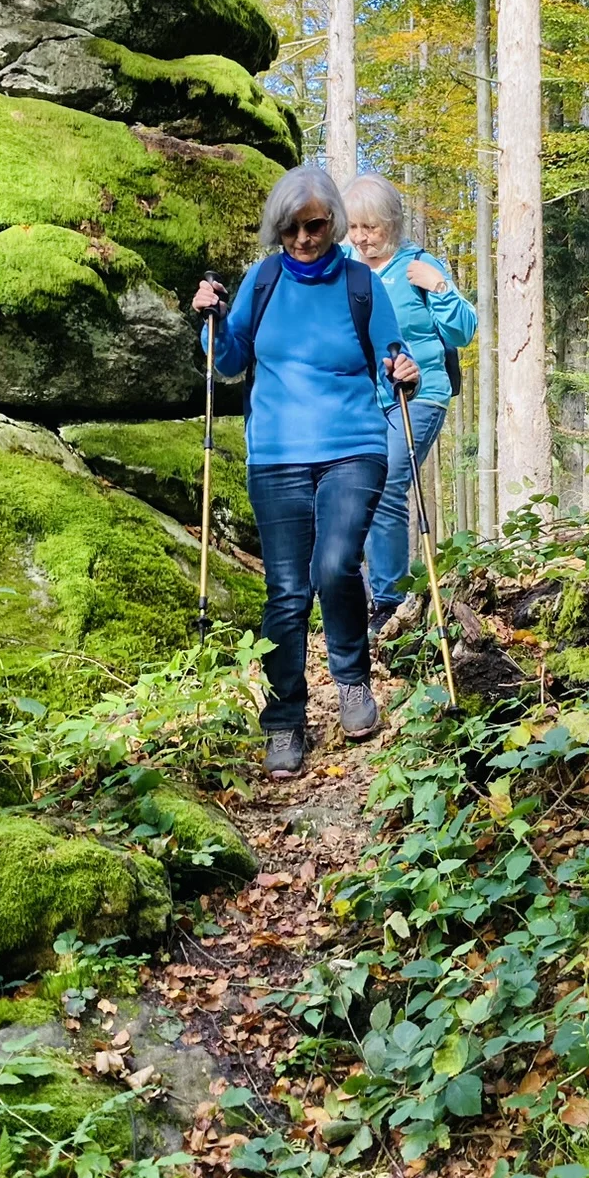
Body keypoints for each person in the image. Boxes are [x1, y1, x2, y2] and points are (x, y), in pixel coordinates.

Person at [192, 167, 419, 780]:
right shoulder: (262, 281)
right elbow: (229, 360)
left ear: (333, 223)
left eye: (314, 225)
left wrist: (403, 370)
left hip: (353, 446)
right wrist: (212, 322)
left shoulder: (360, 284)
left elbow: (395, 354)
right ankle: (284, 719)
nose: (303, 238)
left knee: (335, 565)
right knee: (288, 590)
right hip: (277, 454)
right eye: (290, 228)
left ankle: (351, 679)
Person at [343, 175, 477, 635]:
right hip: (360, 401)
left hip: (418, 396)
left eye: (371, 228)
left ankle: (389, 603)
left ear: (393, 224)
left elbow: (463, 331)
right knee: (348, 492)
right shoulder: (343, 267)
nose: (362, 238)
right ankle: (356, 597)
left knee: (385, 485)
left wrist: (439, 288)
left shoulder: (418, 265)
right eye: (354, 227)